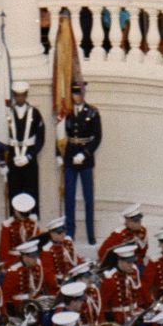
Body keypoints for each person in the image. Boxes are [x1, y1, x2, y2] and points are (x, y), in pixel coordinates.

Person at [61, 81, 103, 244]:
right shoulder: (67, 113)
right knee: (69, 196)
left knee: (88, 197)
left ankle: (90, 234)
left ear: (84, 93)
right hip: (70, 157)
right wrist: (60, 154)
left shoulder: (92, 112)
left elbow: (97, 137)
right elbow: (62, 135)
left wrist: (85, 154)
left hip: (85, 159)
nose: (76, 96)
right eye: (74, 93)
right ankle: (70, 232)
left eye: (79, 93)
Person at [3, 80, 46, 209]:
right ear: (14, 95)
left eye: (22, 95)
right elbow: (2, 138)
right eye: (17, 95)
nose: (19, 98)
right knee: (14, 193)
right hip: (13, 160)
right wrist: (3, 162)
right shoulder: (7, 113)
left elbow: (40, 138)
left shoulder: (35, 113)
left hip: (29, 161)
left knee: (31, 192)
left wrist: (29, 157)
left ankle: (31, 225)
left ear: (26, 95)